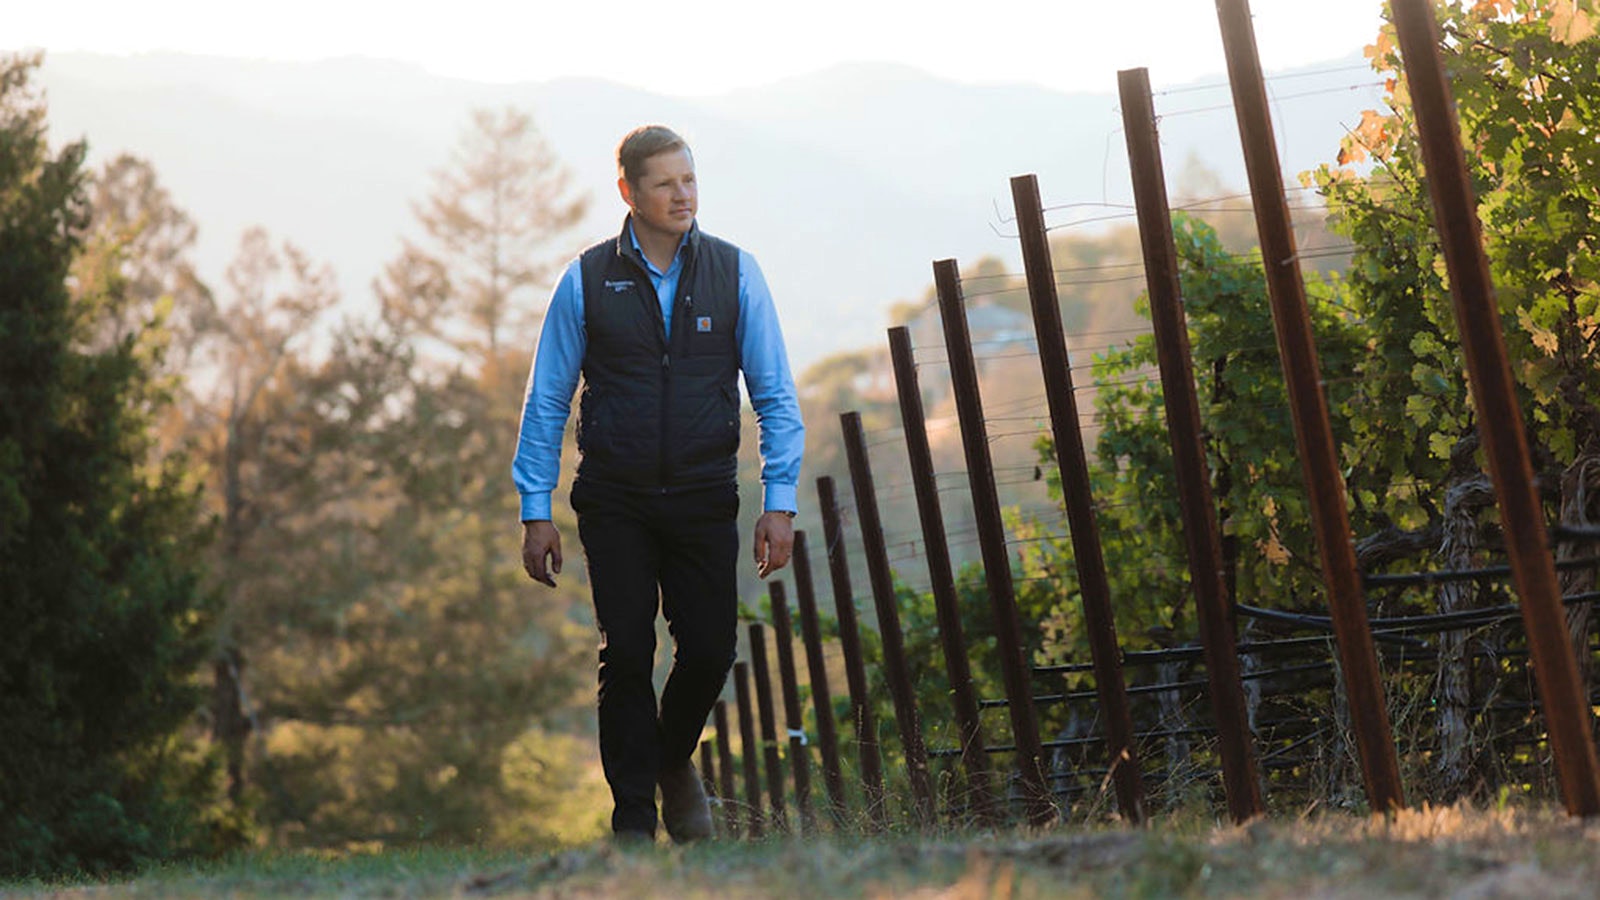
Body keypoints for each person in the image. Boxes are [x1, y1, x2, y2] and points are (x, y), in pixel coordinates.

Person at [511, 125, 805, 843]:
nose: (684, 195)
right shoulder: (585, 279)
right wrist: (535, 507)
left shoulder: (736, 273)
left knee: (709, 650)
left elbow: (775, 395)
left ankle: (672, 760)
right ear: (629, 193)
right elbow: (547, 399)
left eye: (690, 180)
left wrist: (780, 502)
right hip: (615, 499)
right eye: (667, 183)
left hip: (706, 496)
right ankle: (634, 826)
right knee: (628, 654)